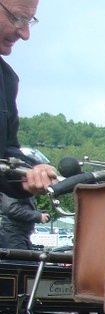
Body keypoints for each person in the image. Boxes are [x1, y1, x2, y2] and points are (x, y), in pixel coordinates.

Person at [0, 1, 57, 195]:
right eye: (17, 18)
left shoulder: (6, 80)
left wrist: (31, 173)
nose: (25, 34)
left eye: (29, 21)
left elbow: (6, 153)